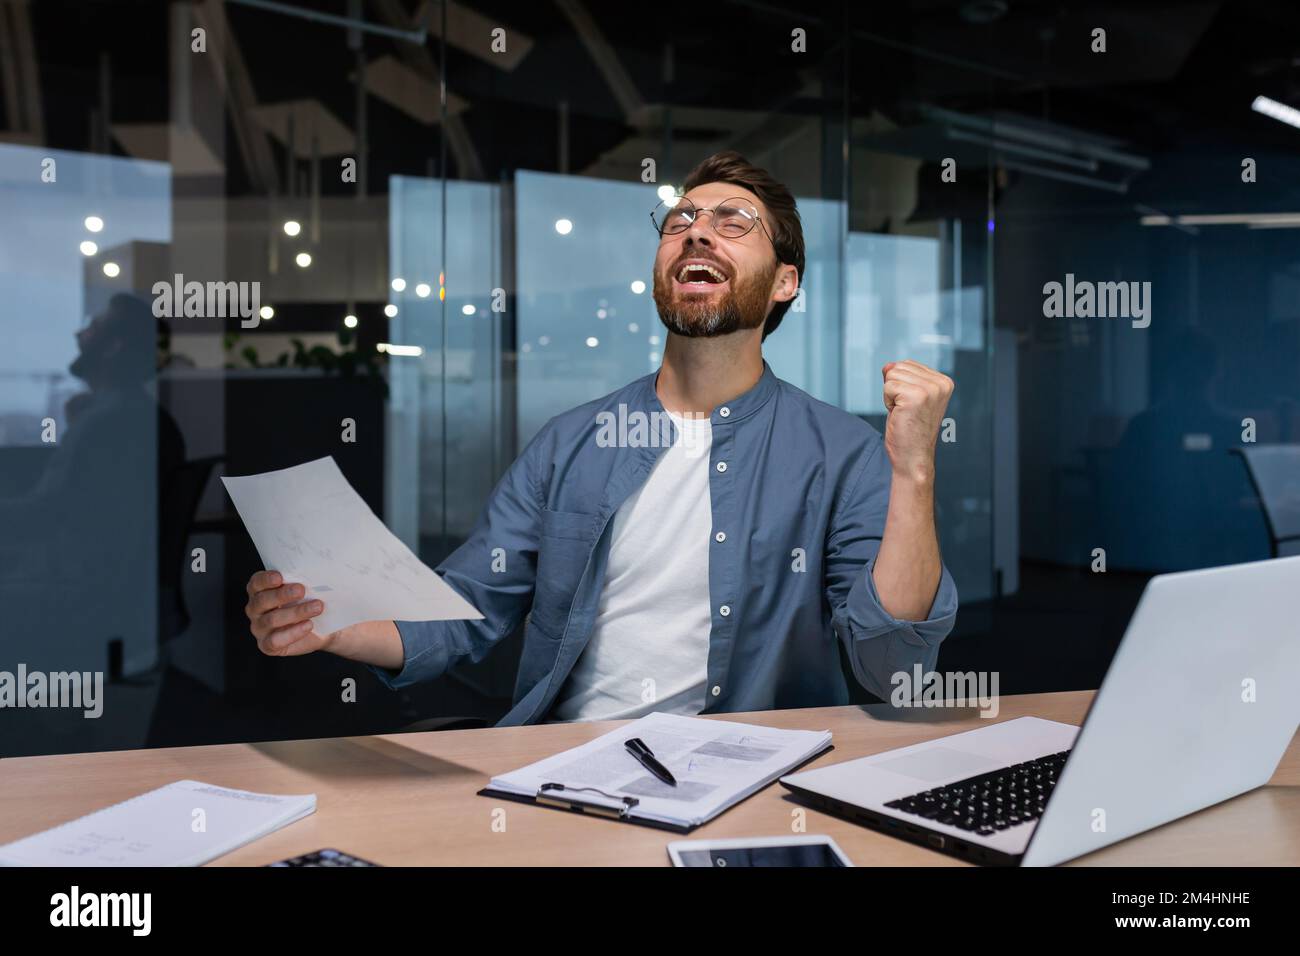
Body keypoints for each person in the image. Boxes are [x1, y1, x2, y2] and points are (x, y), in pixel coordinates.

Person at [245, 150, 958, 725]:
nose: (697, 231)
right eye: (680, 219)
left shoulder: (845, 454)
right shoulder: (570, 442)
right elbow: (464, 610)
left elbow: (892, 667)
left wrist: (914, 473)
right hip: (570, 771)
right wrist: (333, 625)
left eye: (733, 221)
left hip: (756, 783)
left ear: (783, 284)